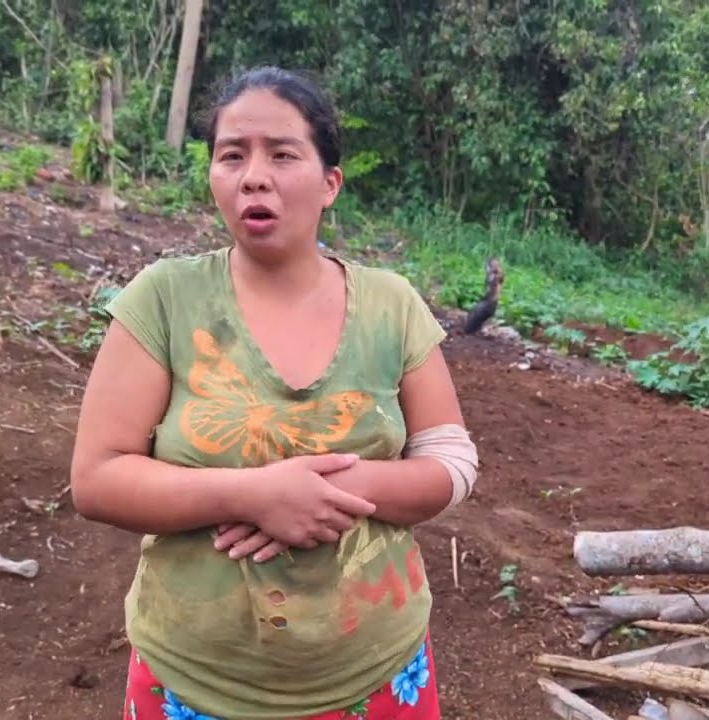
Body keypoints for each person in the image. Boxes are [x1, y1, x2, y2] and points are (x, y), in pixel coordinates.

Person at [69, 66, 479, 720]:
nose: (253, 174)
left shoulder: (391, 306)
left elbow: (452, 464)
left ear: (330, 184)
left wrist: (320, 492)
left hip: (378, 676)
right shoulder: (165, 300)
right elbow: (96, 479)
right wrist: (251, 493)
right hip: (195, 683)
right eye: (232, 155)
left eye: (282, 154)